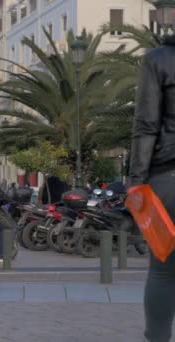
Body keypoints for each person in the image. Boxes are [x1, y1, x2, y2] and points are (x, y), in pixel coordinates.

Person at [128, 33, 175, 342]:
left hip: (167, 178)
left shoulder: (159, 58)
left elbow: (147, 124)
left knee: (162, 271)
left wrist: (136, 182)